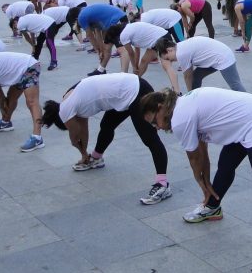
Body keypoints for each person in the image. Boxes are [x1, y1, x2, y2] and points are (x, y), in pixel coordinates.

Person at [141, 87, 252, 273]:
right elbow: (202, 149)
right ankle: (212, 206)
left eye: (155, 121)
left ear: (161, 107)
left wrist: (202, 182)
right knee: (226, 165)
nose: (158, 127)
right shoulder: (180, 104)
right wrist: (207, 183)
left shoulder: (180, 119)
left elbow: (194, 159)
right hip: (244, 117)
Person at [41, 74, 172, 204]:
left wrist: (83, 154)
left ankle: (162, 185)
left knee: (149, 138)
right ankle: (96, 158)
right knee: (107, 125)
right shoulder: (69, 97)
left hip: (135, 92)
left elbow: (75, 137)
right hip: (128, 89)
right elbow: (83, 132)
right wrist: (85, 154)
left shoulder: (65, 110)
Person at [155, 36, 246, 92]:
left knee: (235, 85)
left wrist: (189, 95)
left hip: (223, 58)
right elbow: (190, 75)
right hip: (215, 58)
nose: (170, 61)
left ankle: (248, 103)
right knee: (196, 76)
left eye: (168, 58)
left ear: (169, 50)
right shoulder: (179, 46)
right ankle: (196, 98)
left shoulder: (181, 53)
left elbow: (187, 76)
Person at [78, 3, 128, 76]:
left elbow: (90, 35)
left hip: (118, 20)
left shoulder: (81, 18)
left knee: (122, 50)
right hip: (115, 21)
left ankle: (124, 75)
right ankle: (101, 70)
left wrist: (97, 50)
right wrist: (101, 51)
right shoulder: (93, 16)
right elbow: (99, 35)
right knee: (107, 48)